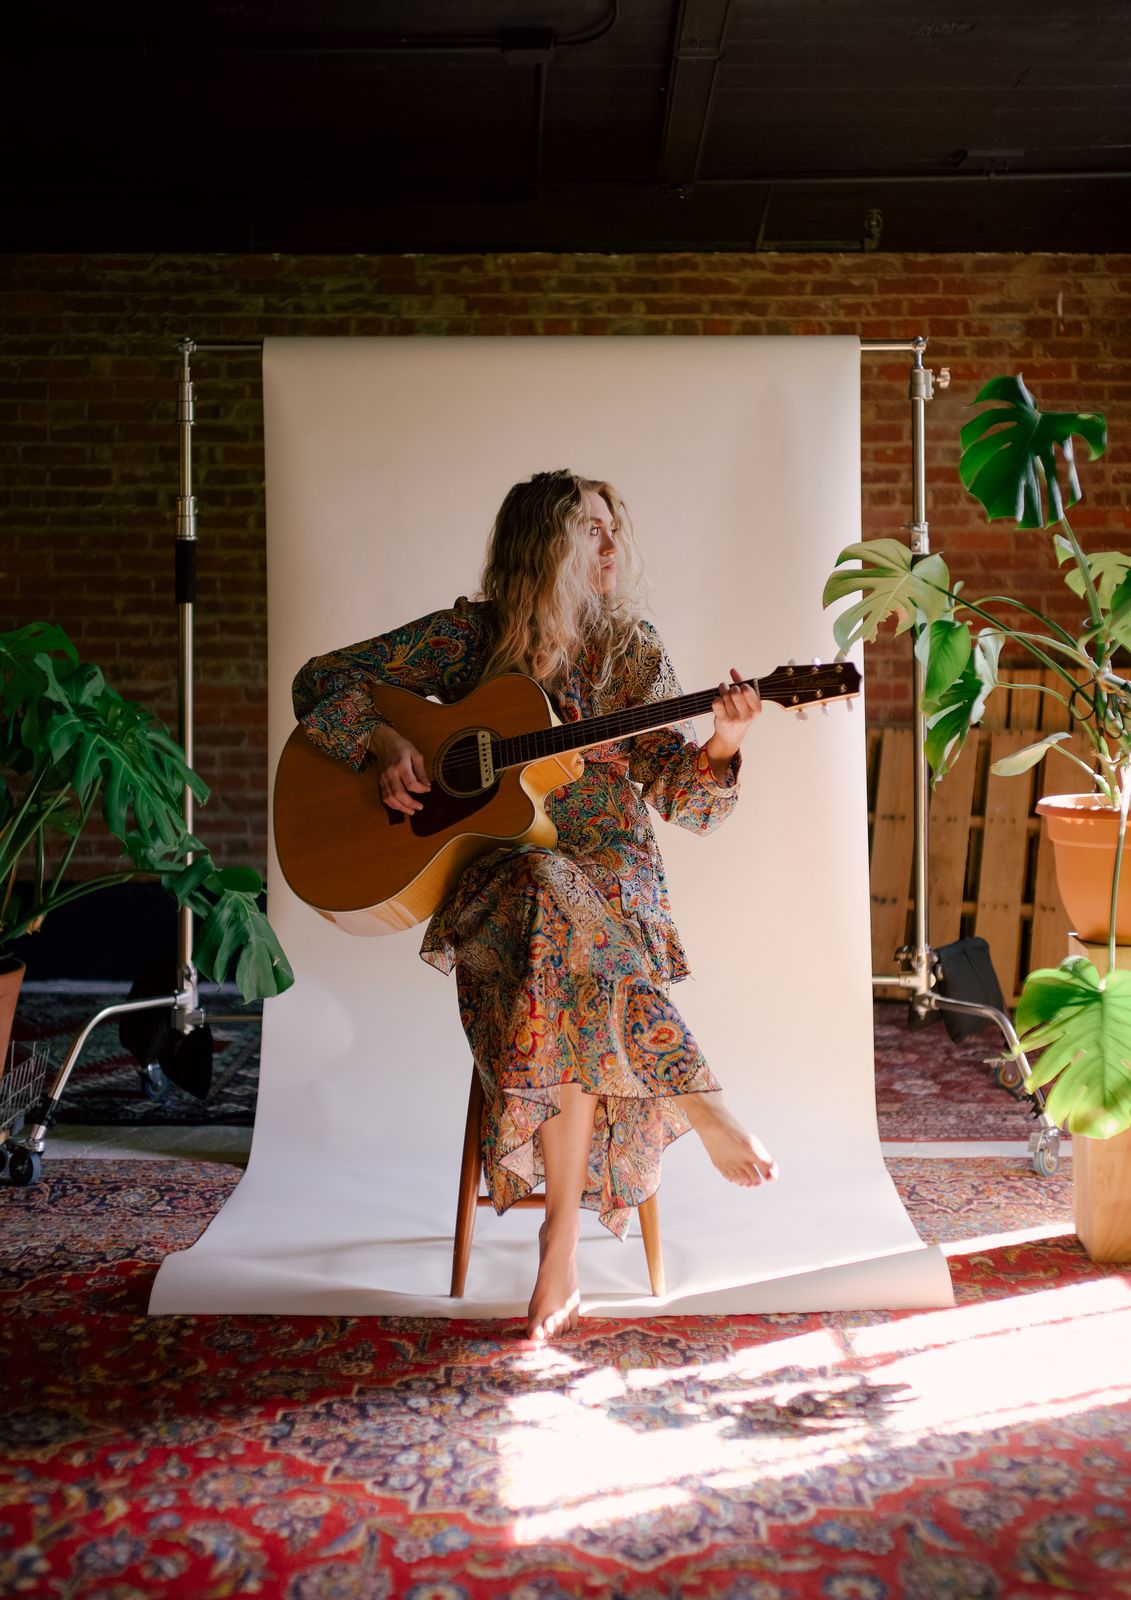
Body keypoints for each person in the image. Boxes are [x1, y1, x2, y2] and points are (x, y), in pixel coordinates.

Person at [292, 470, 777, 1341]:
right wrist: (388, 739)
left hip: (610, 882)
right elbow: (321, 680)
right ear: (539, 547)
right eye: (587, 529)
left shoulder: (630, 650)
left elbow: (683, 796)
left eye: (611, 528)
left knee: (559, 925)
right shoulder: (470, 639)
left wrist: (725, 741)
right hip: (496, 883)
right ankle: (696, 1098)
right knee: (541, 889)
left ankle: (559, 1240)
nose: (609, 546)